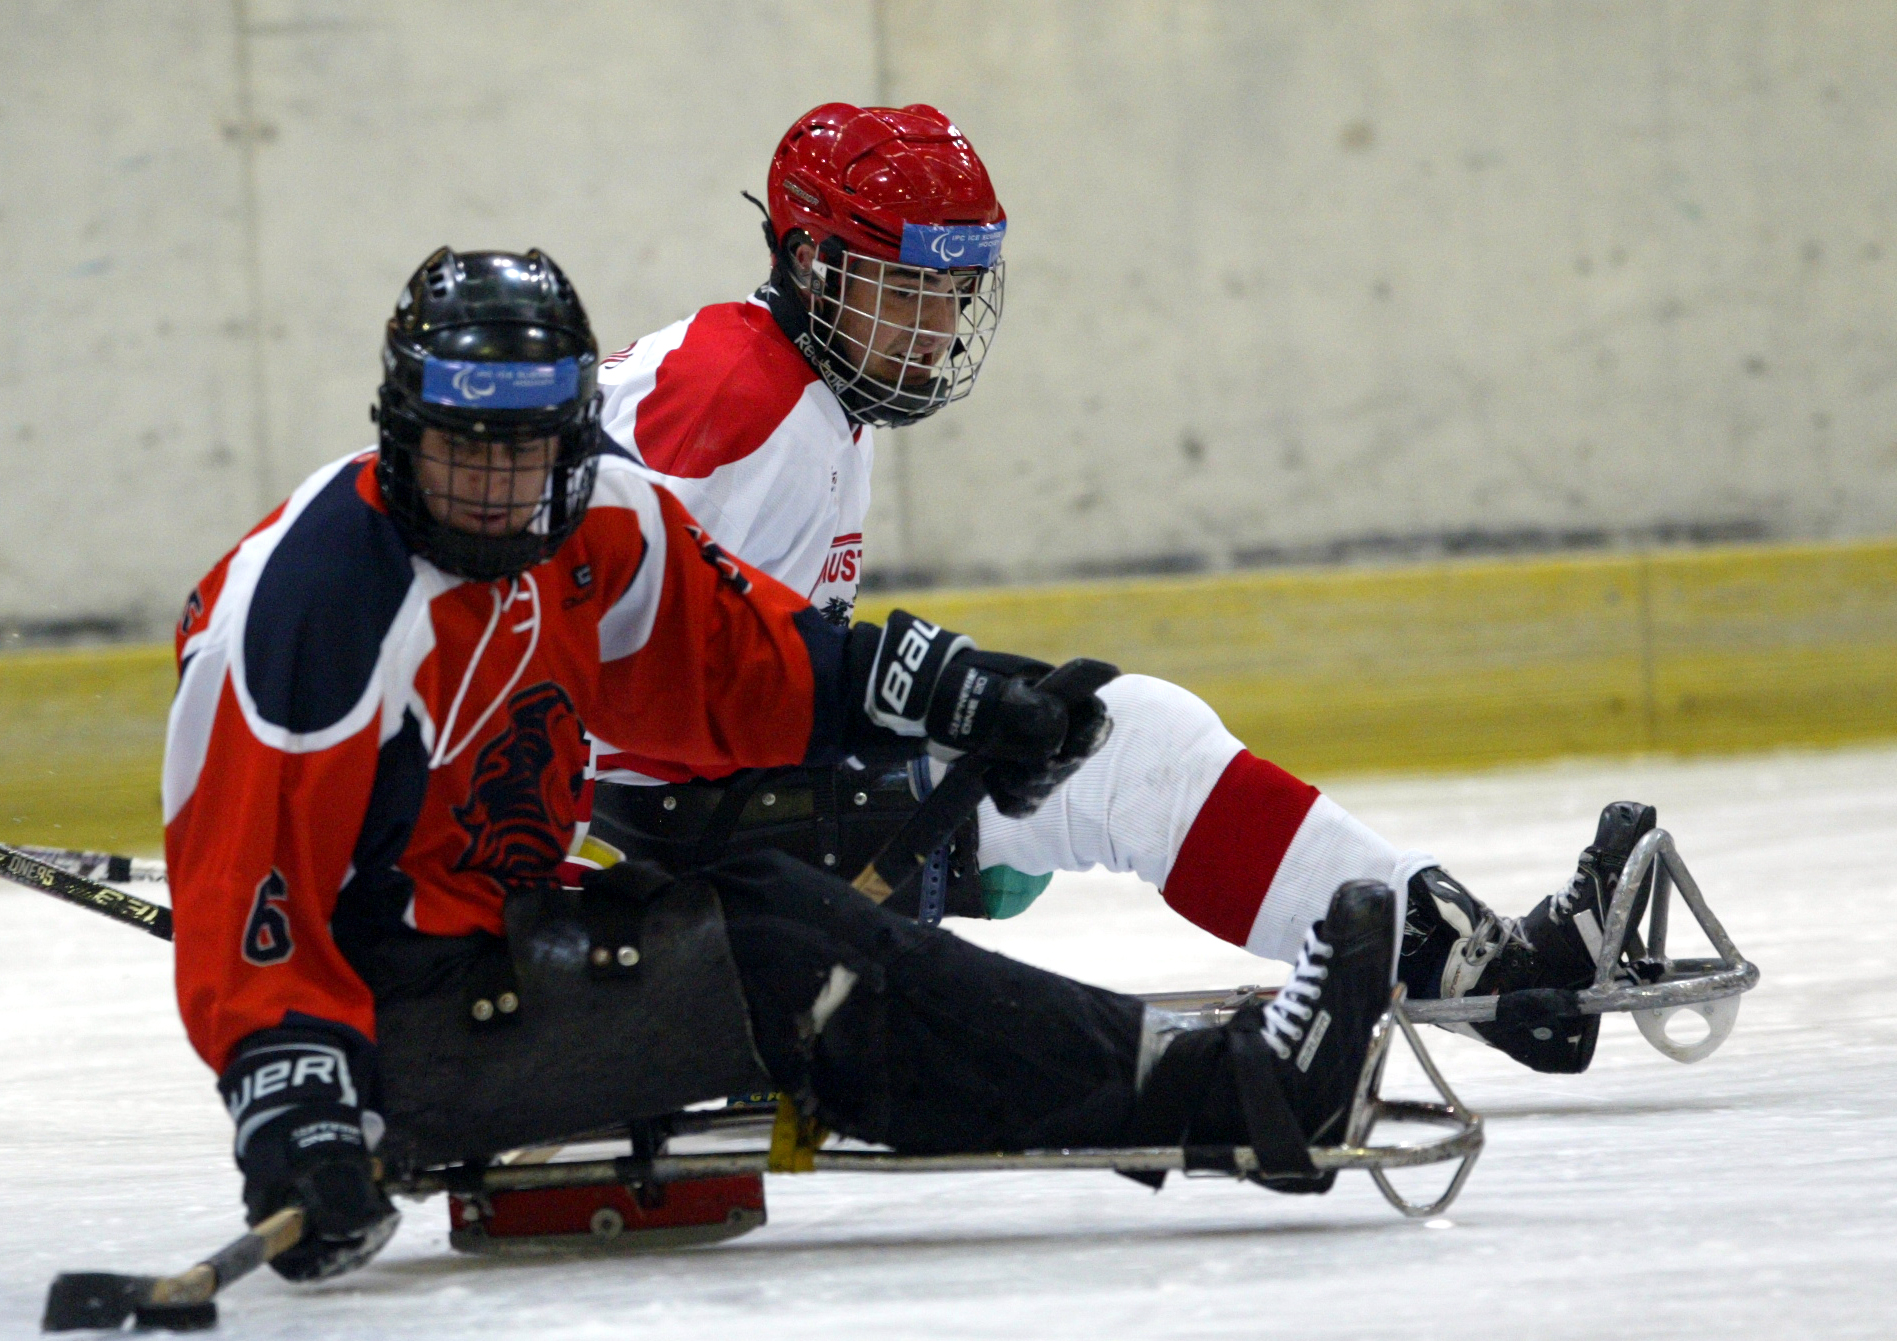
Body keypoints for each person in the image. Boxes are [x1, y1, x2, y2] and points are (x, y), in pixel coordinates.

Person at [163, 247, 1399, 1282]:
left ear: (571, 436)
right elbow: (249, 901)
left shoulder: (598, 520)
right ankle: (1241, 1100)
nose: (495, 489)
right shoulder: (310, 610)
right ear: (402, 429)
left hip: (501, 932)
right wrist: (301, 1120)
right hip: (393, 1031)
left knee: (764, 907)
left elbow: (745, 671)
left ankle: (1208, 1083)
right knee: (780, 960)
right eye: (462, 449)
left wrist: (969, 696)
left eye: (525, 450)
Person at [591, 101, 1650, 1078]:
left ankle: (1471, 961)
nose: (936, 330)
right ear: (809, 263)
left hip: (691, 802)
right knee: (1129, 752)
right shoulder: (743, 404)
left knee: (1104, 741)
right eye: (906, 291)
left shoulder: (791, 385)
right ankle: (1489, 978)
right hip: (667, 837)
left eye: (954, 294)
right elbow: (607, 658)